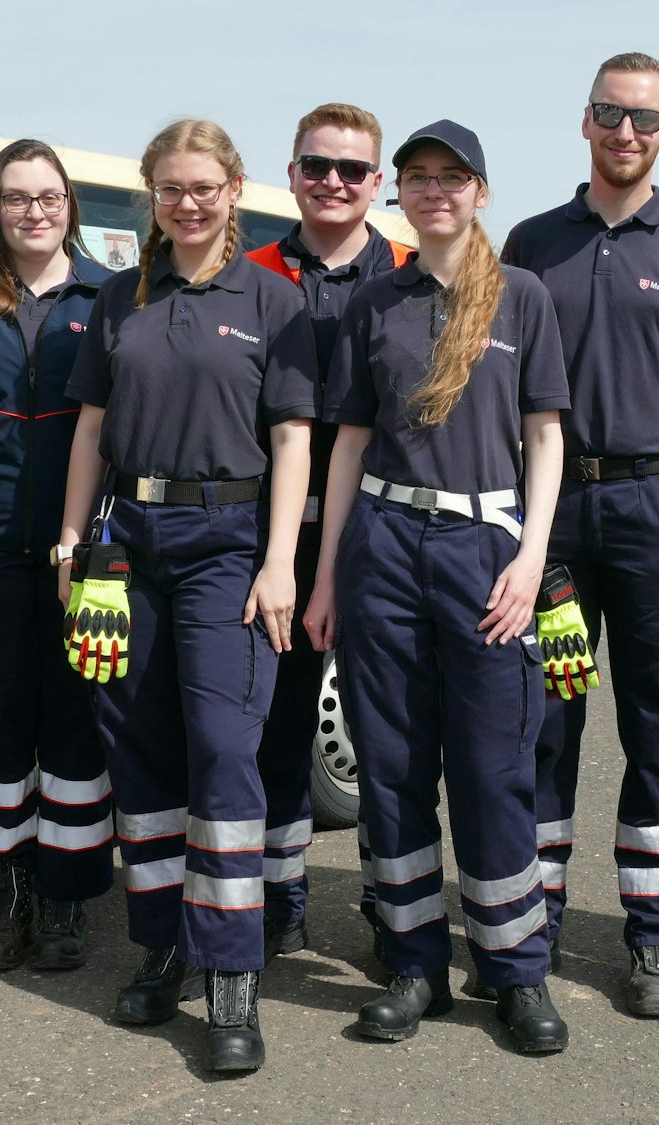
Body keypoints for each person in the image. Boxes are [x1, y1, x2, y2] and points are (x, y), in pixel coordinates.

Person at [304, 121, 573, 1053]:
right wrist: (331, 571)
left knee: (496, 767)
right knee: (394, 766)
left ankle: (515, 972)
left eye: (451, 178)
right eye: (416, 178)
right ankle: (414, 962)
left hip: (485, 544)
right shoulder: (376, 301)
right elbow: (345, 444)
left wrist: (533, 557)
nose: (433, 191)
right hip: (383, 541)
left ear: (481, 192)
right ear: (401, 195)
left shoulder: (523, 298)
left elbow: (546, 437)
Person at [499, 51, 659, 1018]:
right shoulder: (530, 240)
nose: (626, 132)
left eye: (645, 119)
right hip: (551, 516)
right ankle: (532, 918)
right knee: (543, 723)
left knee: (655, 724)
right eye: (611, 112)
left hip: (657, 511)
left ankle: (655, 938)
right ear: (585, 120)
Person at [57, 119, 314, 1075]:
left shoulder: (275, 301)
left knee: (224, 751)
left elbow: (294, 439)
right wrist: (74, 540)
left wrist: (279, 559)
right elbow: (91, 431)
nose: (189, 203)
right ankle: (162, 941)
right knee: (141, 749)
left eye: (205, 187)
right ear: (151, 196)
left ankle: (232, 974)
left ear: (235, 190)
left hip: (227, 546)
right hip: (129, 542)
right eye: (171, 188)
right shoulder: (121, 300)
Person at [0, 140, 115, 973]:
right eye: (15, 198)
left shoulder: (112, 301)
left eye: (47, 197)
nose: (33, 212)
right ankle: (4, 895)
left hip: (85, 553)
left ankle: (65, 898)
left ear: (70, 205)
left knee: (76, 726)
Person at [242, 103, 411, 958]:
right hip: (273, 536)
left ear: (378, 182)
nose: (334, 183)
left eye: (352, 170)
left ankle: (395, 909)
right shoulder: (251, 273)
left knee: (388, 730)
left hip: (385, 534)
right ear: (293, 172)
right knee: (277, 727)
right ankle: (279, 901)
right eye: (317, 166)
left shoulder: (419, 272)